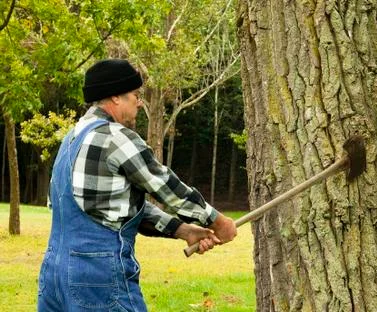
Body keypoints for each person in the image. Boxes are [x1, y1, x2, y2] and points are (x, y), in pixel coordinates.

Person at [37, 59, 237, 312]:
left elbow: (113, 209)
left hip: (53, 276)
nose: (140, 102)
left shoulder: (70, 140)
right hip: (97, 277)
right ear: (115, 97)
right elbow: (166, 186)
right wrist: (216, 221)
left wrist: (183, 230)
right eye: (135, 95)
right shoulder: (115, 137)